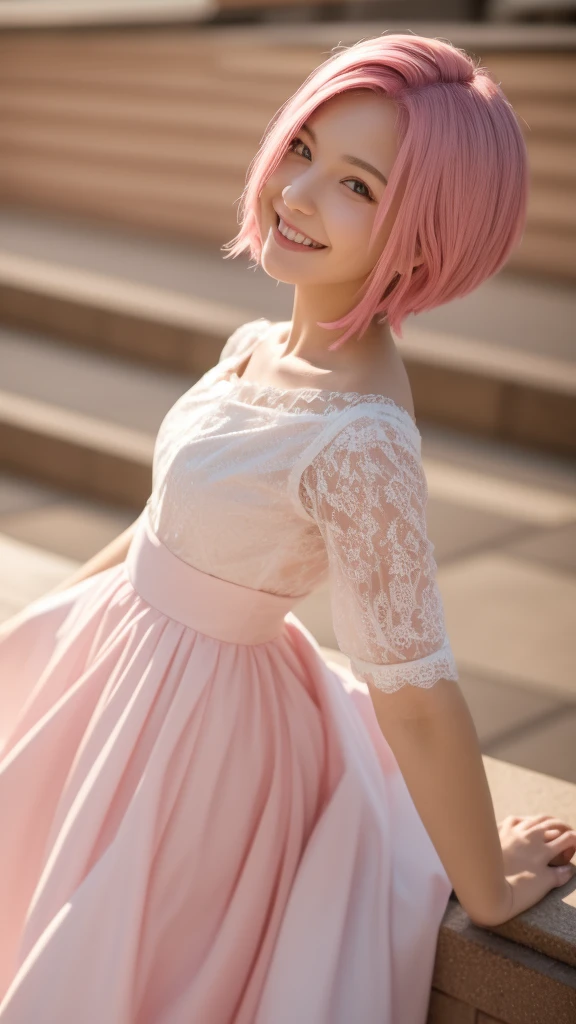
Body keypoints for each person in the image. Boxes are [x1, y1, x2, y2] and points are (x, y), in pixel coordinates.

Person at [0, 31, 574, 1024]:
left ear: (428, 237)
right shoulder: (260, 343)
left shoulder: (361, 440)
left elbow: (417, 687)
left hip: (194, 741)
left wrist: (483, 882)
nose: (296, 193)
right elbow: (159, 526)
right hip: (117, 667)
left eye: (358, 186)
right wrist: (36, 643)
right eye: (303, 149)